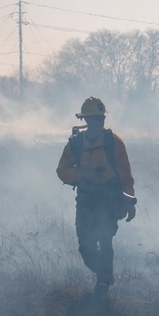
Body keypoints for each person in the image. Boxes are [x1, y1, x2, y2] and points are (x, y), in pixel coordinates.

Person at [57, 97, 136, 303]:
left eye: (100, 119)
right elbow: (62, 170)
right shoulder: (75, 144)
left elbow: (126, 175)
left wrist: (129, 201)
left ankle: (103, 285)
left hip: (109, 201)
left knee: (105, 239)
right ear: (84, 120)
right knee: (85, 246)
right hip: (85, 201)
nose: (97, 123)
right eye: (93, 119)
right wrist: (82, 174)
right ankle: (104, 273)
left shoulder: (113, 143)